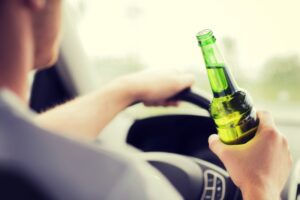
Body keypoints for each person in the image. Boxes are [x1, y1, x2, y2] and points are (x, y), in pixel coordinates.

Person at [0, 0, 292, 199]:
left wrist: (127, 89)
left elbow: (26, 140)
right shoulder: (119, 185)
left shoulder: (15, 152)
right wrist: (261, 185)